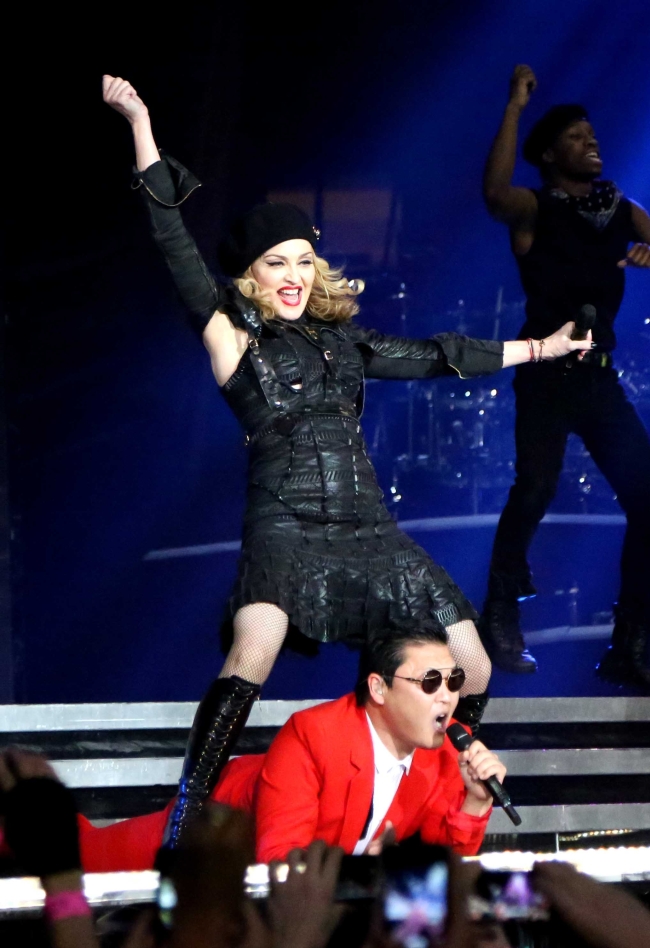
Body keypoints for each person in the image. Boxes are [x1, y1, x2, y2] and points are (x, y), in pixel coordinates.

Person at [101, 74, 589, 849]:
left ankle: (428, 793)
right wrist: (140, 124)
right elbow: (172, 243)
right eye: (274, 264)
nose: (292, 275)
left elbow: (435, 355)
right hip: (287, 524)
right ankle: (185, 819)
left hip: (369, 526)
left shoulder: (344, 342)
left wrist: (541, 347)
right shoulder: (233, 336)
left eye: (302, 259)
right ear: (250, 278)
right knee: (253, 647)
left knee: (474, 667)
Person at [79, 620, 506, 869]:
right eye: (431, 681)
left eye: (454, 681)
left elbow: (440, 865)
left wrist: (474, 801)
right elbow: (280, 862)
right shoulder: (314, 735)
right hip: (214, 848)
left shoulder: (445, 754)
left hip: (307, 902)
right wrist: (363, 873)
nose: (447, 696)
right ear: (378, 688)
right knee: (80, 855)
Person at [479, 64, 650, 684]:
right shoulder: (535, 208)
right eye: (577, 136)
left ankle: (630, 642)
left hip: (598, 380)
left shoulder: (619, 208)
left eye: (593, 133)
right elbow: (495, 195)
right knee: (536, 489)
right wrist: (514, 104)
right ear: (550, 154)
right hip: (546, 371)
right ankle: (499, 608)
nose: (592, 141)